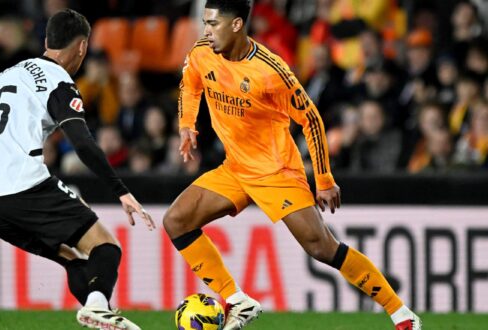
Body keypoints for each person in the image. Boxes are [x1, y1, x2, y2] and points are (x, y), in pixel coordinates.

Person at [162, 1, 421, 330]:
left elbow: (311, 119)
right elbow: (190, 82)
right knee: (177, 220)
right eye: (205, 23)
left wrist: (324, 179)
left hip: (276, 172)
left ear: (237, 25)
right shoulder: (202, 51)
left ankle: (401, 313)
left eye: (213, 24)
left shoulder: (271, 71)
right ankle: (238, 301)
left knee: (322, 247)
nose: (206, 31)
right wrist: (187, 124)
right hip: (235, 169)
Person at [0, 9, 155, 330]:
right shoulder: (59, 85)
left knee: (75, 259)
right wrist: (121, 191)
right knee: (105, 246)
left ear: (46, 41)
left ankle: (99, 311)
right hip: (23, 187)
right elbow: (83, 144)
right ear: (82, 47)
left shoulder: (8, 76)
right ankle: (98, 307)